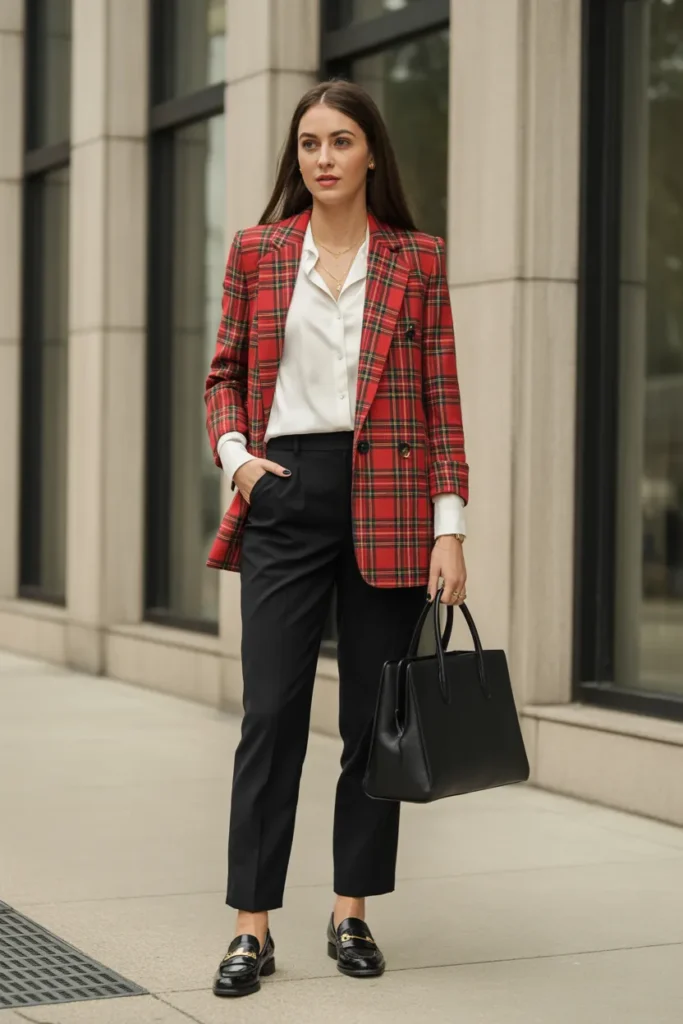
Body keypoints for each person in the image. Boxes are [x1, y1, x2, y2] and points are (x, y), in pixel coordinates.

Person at [204, 79, 469, 999]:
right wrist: (238, 459)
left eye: (341, 141)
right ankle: (251, 924)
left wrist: (449, 527)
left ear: (370, 154)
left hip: (390, 498)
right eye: (309, 143)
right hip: (284, 489)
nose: (323, 158)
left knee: (370, 721)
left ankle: (350, 909)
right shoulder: (258, 252)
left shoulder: (417, 259)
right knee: (270, 711)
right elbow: (224, 373)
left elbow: (441, 400)